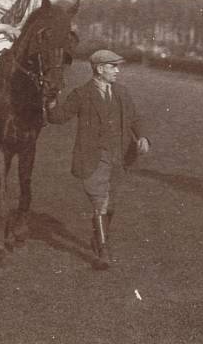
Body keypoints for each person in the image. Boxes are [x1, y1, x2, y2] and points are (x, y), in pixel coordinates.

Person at [47, 50, 151, 270]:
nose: (117, 71)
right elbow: (58, 117)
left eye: (117, 67)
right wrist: (50, 100)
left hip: (120, 157)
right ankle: (103, 250)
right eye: (113, 67)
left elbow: (135, 118)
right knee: (100, 201)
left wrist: (142, 136)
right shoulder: (82, 94)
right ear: (100, 68)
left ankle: (98, 236)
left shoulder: (122, 92)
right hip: (93, 157)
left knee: (110, 203)